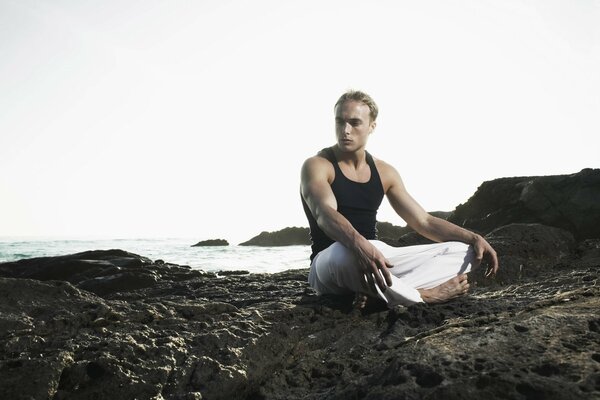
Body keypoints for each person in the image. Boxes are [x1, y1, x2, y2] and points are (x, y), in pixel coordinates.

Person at [300, 90, 499, 308]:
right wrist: (359, 245)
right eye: (340, 121)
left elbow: (423, 221)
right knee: (342, 251)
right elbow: (324, 213)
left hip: (376, 255)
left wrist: (473, 237)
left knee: (465, 251)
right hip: (331, 262)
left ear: (372, 126)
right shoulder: (317, 165)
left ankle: (378, 295)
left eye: (355, 123)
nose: (345, 130)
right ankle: (424, 295)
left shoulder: (386, 172)